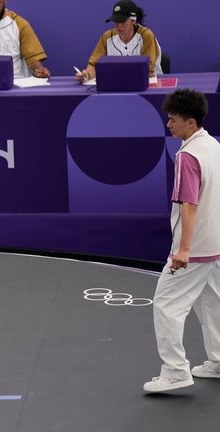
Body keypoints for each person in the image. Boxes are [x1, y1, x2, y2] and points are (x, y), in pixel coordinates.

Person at [143, 89, 220, 393]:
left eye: (172, 119)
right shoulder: (214, 145)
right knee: (212, 302)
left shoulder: (187, 156)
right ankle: (218, 360)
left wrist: (184, 249)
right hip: (215, 244)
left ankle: (174, 371)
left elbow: (189, 205)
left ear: (190, 122)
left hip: (196, 247)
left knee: (166, 304)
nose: (168, 124)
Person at [75, 0, 163, 82]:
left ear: (133, 21)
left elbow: (148, 70)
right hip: (117, 84)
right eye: (116, 21)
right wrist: (87, 75)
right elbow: (94, 64)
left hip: (150, 85)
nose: (119, 26)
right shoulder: (107, 37)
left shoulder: (146, 35)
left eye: (123, 21)